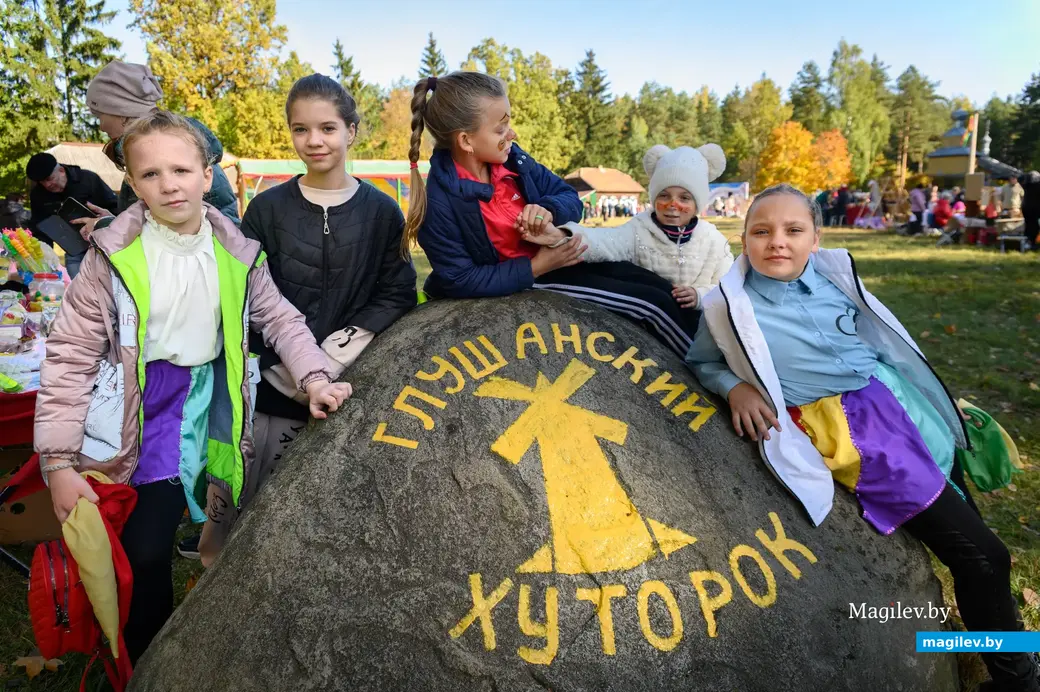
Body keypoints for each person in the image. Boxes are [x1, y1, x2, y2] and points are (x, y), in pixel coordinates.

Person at [686, 183, 1038, 692]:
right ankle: (1018, 679)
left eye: (793, 230)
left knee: (975, 539)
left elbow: (880, 338)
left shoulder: (834, 279)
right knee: (984, 556)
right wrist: (734, 385)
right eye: (761, 231)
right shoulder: (727, 306)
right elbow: (702, 361)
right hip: (861, 435)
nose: (777, 242)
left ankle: (1007, 650)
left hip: (905, 408)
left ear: (815, 237)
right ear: (744, 239)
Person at [34, 111, 352, 664]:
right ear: (132, 184)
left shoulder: (238, 251)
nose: (168, 184)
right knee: (146, 545)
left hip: (218, 401)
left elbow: (280, 319)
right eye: (151, 174)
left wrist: (316, 376)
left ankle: (231, 634)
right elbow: (69, 355)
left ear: (208, 175)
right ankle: (148, 658)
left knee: (231, 523)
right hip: (147, 410)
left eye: (181, 169)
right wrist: (58, 464)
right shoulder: (110, 260)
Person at [184, 74, 419, 563]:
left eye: (328, 128)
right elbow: (243, 294)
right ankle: (214, 590)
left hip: (343, 383)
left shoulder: (381, 212)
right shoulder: (267, 210)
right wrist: (282, 364)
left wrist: (340, 349)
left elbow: (396, 291)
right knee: (238, 503)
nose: (314, 141)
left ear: (351, 131)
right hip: (270, 385)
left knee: (313, 520)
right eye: (301, 129)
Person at [404, 70, 697, 356]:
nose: (512, 134)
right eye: (500, 129)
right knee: (651, 305)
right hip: (534, 277)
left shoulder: (515, 161)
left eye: (509, 124)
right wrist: (536, 267)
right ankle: (710, 374)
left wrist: (547, 210)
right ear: (466, 141)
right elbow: (460, 279)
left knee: (657, 285)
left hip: (560, 258)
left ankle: (721, 350)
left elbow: (569, 197)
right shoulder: (440, 203)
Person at [523, 144, 733, 326]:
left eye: (684, 198)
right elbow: (604, 242)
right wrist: (561, 236)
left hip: (702, 326)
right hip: (651, 325)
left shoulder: (714, 242)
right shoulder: (639, 230)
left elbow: (729, 289)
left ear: (698, 202)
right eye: (664, 195)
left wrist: (699, 296)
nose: (672, 205)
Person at [84, 60, 240, 236]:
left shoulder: (177, 153)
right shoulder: (149, 154)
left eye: (100, 115)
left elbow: (189, 234)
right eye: (150, 174)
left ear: (120, 113)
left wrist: (106, 226)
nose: (101, 126)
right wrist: (114, 221)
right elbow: (154, 222)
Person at [25, 152, 118, 277]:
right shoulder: (38, 195)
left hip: (104, 247)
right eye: (42, 182)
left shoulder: (88, 180)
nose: (47, 185)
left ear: (61, 170)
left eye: (49, 179)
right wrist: (43, 256)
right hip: (73, 251)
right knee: (76, 290)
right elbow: (40, 228)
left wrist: (105, 221)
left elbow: (115, 208)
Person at [1022, 171, 1040, 250]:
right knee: (1034, 226)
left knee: (1029, 225)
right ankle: (1032, 243)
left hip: (1026, 208)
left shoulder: (1025, 185)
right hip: (1036, 208)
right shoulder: (1038, 185)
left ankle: (1029, 242)